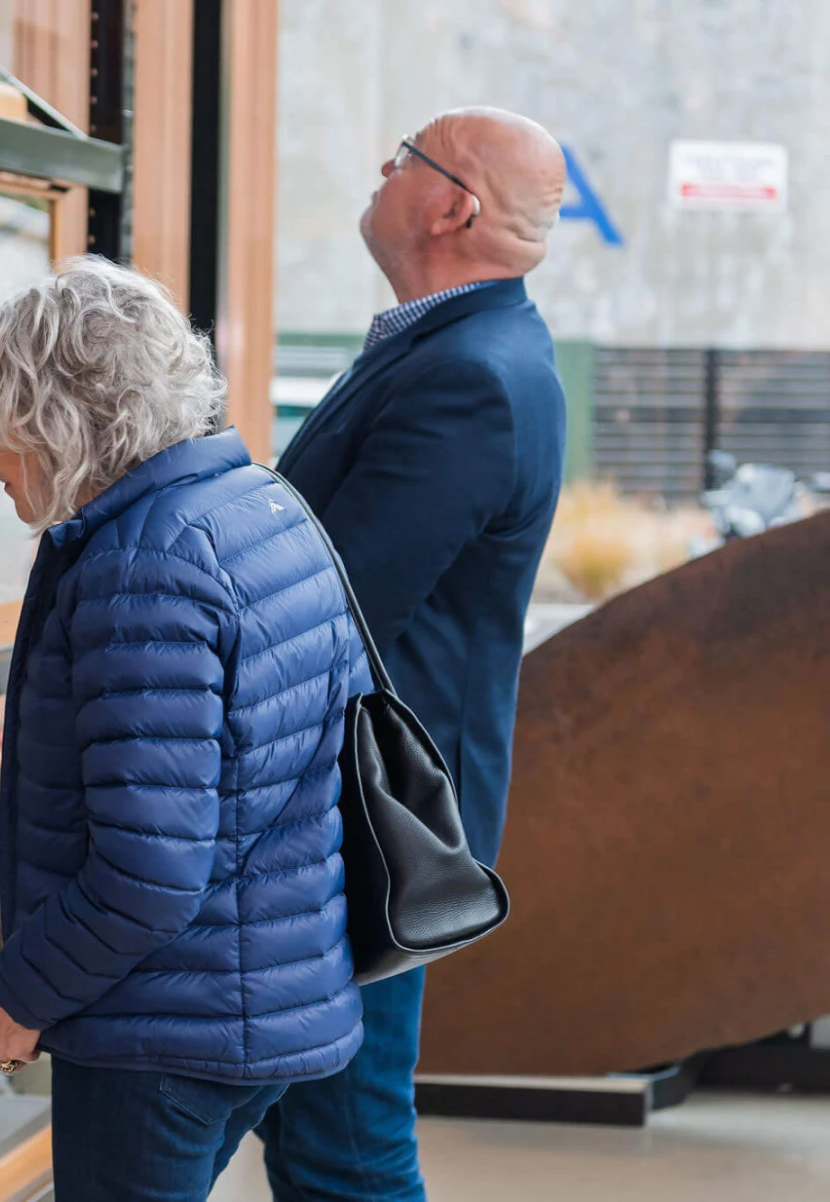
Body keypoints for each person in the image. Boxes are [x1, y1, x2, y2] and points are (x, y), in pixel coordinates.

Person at [0, 256, 372, 1202]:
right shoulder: (262, 507)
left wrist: (20, 996)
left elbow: (148, 875)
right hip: (266, 995)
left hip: (160, 1029)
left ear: (64, 418)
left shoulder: (143, 564)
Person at [260, 107, 569, 1199]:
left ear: (452, 205)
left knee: (345, 1140)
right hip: (358, 817)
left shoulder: (471, 377)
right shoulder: (453, 348)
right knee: (325, 1135)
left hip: (364, 826)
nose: (380, 169)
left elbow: (332, 601)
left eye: (402, 157)